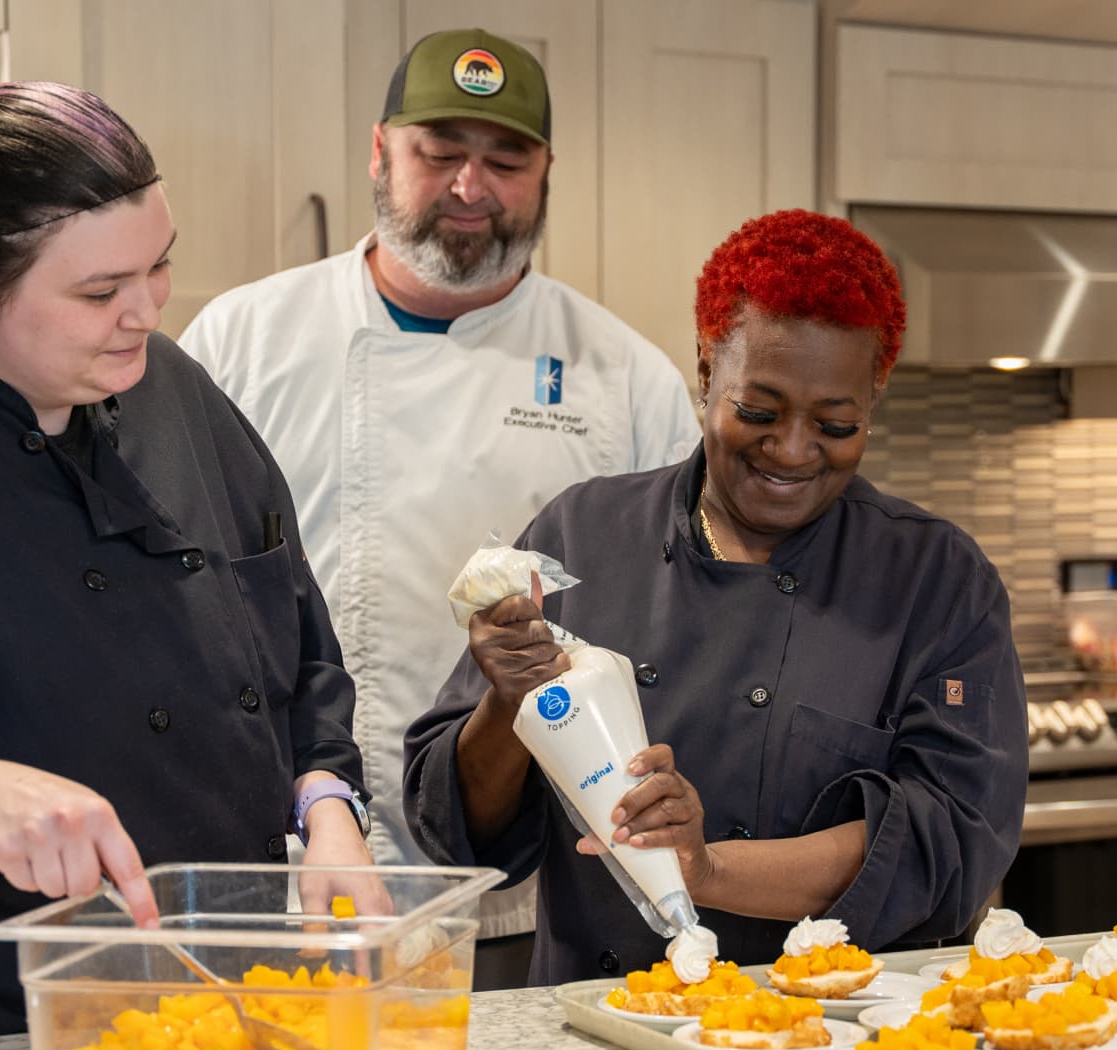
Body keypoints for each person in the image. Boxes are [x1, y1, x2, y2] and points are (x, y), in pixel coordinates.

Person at [179, 28, 698, 978]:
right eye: (440, 154)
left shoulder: (625, 378)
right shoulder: (239, 341)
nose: (471, 186)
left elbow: (679, 629)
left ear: (546, 174)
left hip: (521, 895)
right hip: (295, 878)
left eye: (506, 160)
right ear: (379, 153)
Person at [403, 208, 1029, 986]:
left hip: (831, 1039)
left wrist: (708, 869)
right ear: (705, 371)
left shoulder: (936, 580)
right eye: (758, 412)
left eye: (837, 424)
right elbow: (459, 834)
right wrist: (506, 705)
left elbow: (954, 843)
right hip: (600, 1028)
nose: (793, 451)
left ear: (875, 396)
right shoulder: (584, 531)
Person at [0, 82, 377, 1038]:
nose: (145, 311)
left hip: (242, 994)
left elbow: (297, 655)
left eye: (158, 268)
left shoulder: (173, 389)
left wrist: (327, 805)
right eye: (99, 292)